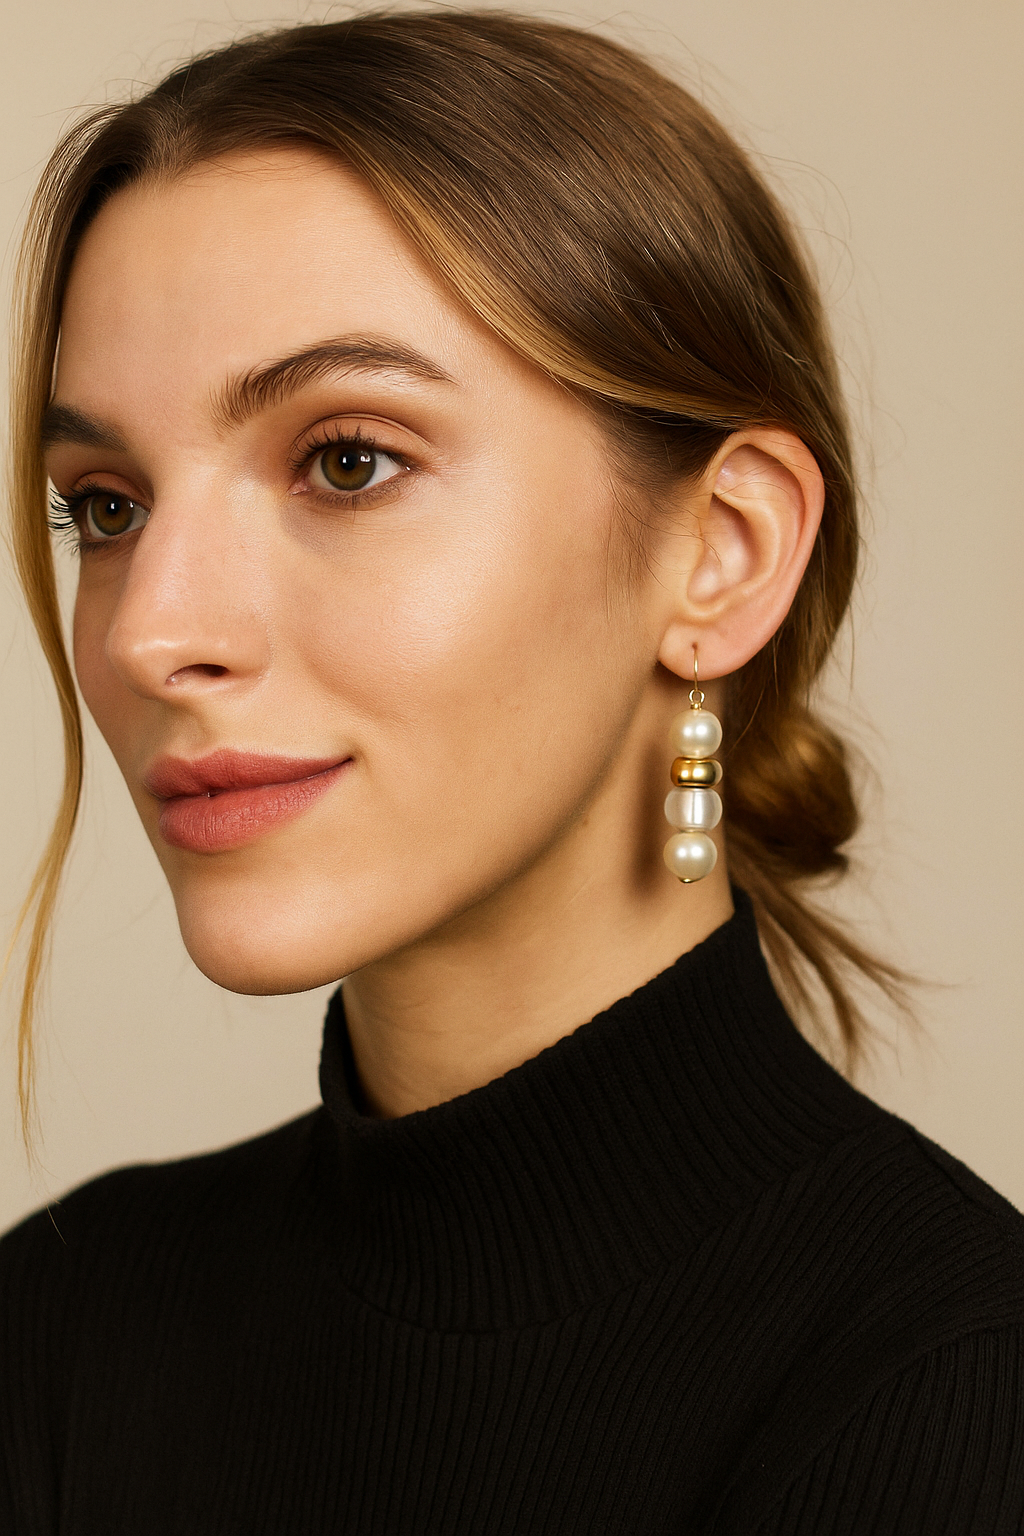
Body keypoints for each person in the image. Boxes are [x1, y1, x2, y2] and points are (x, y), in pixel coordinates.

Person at [1, 10, 1022, 1532]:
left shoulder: (945, 1392)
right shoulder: (60, 1330)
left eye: (347, 460)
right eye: (106, 505)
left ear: (719, 556)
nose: (153, 630)